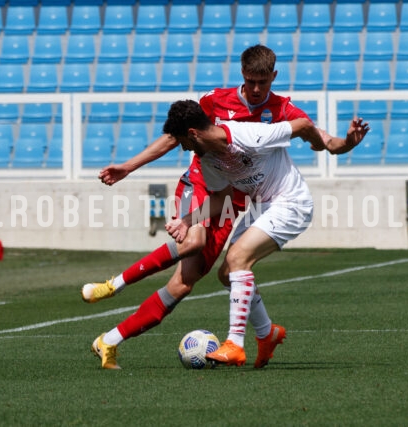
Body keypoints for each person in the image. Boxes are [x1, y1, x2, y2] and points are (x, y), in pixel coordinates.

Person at [84, 45, 359, 370]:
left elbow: (319, 139)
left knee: (192, 282)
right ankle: (114, 285)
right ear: (242, 76)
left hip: (237, 195)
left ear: (274, 77)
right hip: (204, 184)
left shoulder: (276, 113)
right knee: (196, 243)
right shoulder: (213, 104)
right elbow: (176, 137)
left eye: (263, 82)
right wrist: (130, 167)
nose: (256, 90)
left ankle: (109, 340)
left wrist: (346, 142)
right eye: (250, 81)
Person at [163, 100, 369, 365]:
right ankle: (266, 333)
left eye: (182, 141)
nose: (183, 148)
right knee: (227, 274)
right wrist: (186, 221)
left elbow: (304, 124)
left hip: (291, 203)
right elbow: (221, 199)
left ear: (192, 133)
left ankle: (235, 343)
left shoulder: (251, 135)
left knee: (237, 258)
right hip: (264, 206)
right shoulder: (208, 159)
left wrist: (338, 143)